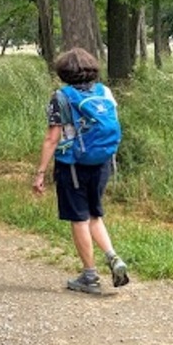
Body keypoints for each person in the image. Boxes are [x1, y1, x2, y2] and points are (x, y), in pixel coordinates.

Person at [32, 47, 129, 294]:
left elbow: (52, 138)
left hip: (73, 165)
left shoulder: (61, 97)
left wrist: (40, 172)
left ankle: (89, 276)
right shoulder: (104, 92)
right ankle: (113, 256)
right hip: (103, 162)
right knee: (94, 215)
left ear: (63, 72)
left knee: (79, 218)